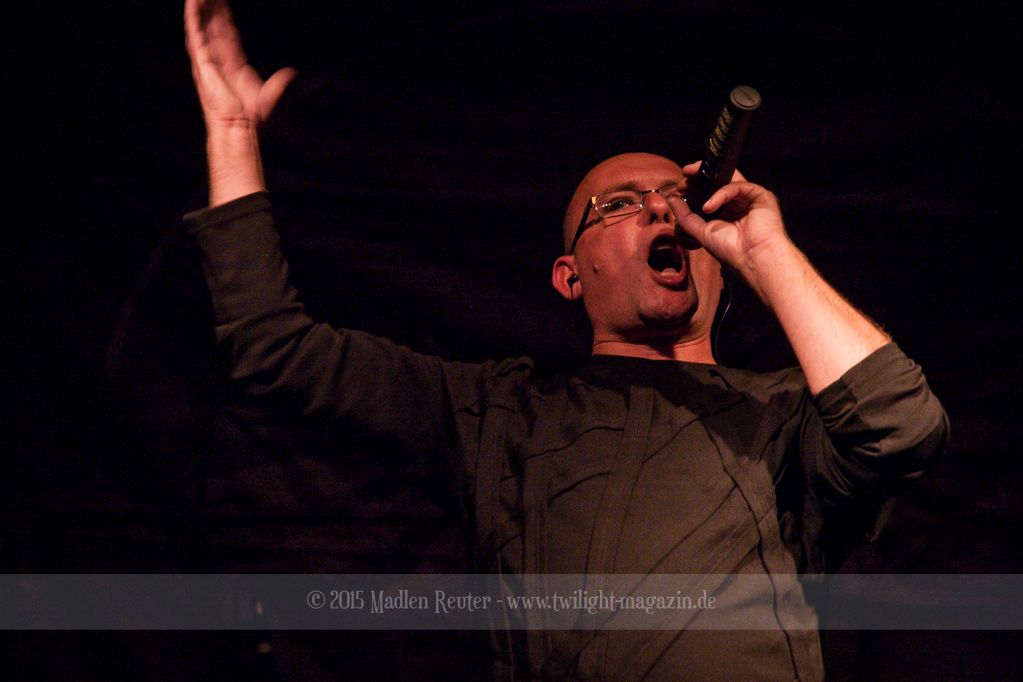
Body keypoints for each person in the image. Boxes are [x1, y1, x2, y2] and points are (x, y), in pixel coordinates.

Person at [182, 1, 949, 679]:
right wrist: (233, 135)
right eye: (620, 204)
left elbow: (899, 426)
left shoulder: (786, 417)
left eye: (677, 201)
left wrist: (766, 254)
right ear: (569, 275)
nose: (661, 212)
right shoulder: (495, 414)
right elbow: (272, 345)